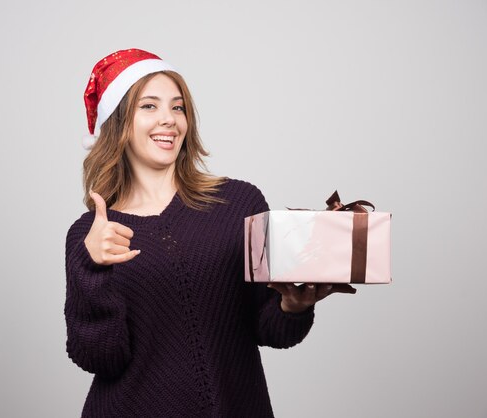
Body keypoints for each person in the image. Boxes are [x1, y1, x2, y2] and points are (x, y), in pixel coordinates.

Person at [64, 48, 356, 417]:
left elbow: (272, 331)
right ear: (119, 121)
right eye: (149, 106)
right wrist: (92, 268)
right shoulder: (89, 236)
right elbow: (101, 357)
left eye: (178, 107)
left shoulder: (239, 202)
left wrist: (293, 307)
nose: (169, 120)